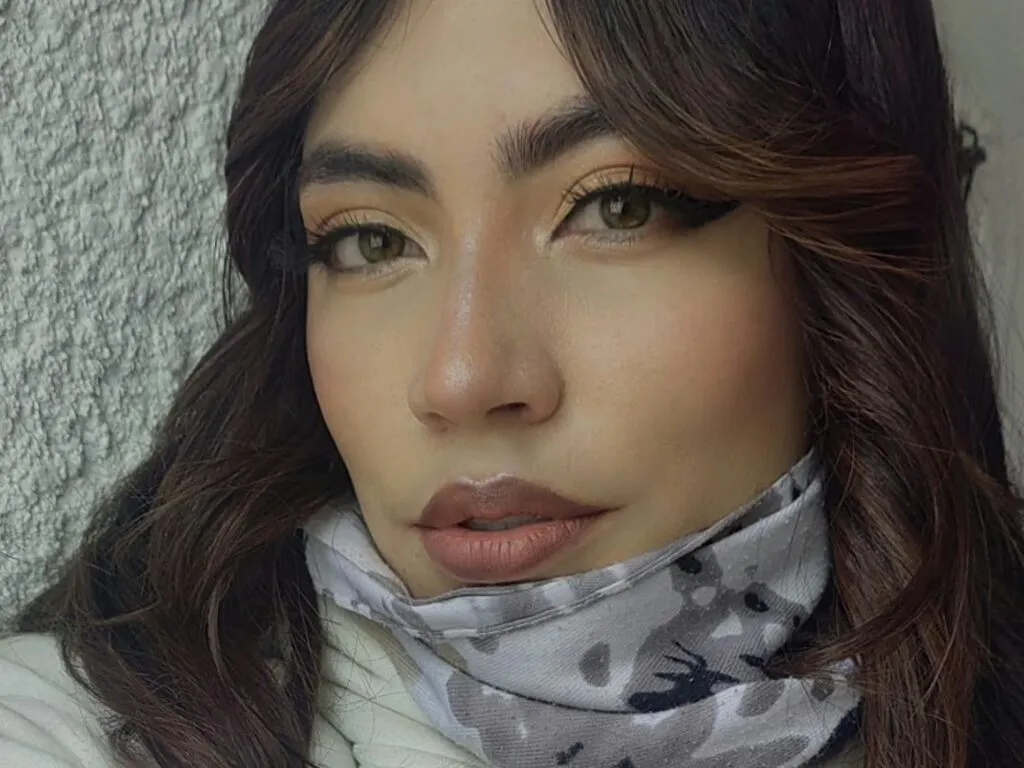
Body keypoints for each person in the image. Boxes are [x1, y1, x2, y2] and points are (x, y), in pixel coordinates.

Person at [1, 0, 1022, 766]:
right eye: (370, 239)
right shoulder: (76, 732)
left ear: (837, 262)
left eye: (619, 207)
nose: (460, 378)